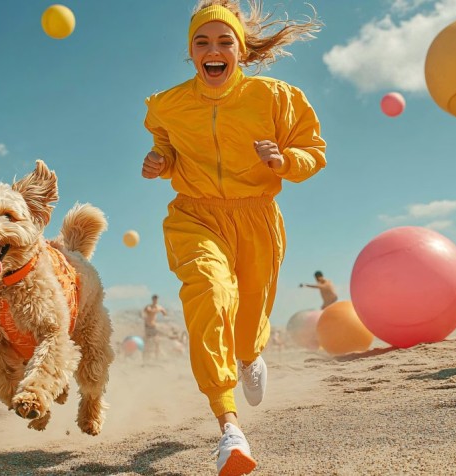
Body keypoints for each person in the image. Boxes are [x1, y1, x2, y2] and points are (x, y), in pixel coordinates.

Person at [141, 2, 325, 473]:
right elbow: (164, 140)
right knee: (210, 290)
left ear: (241, 50)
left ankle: (249, 357)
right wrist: (162, 161)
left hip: (257, 219)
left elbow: (312, 151)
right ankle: (229, 426)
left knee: (247, 325)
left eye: (225, 41)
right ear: (190, 52)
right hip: (195, 216)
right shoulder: (168, 104)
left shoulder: (276, 98)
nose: (213, 50)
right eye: (202, 42)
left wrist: (283, 161)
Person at [142, 294, 168, 362]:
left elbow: (165, 313)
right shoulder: (149, 306)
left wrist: (163, 311)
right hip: (147, 327)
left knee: (157, 342)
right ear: (152, 299)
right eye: (154, 299)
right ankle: (144, 358)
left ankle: (157, 358)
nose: (155, 300)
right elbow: (148, 311)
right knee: (147, 342)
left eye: (156, 299)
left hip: (153, 327)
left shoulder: (159, 307)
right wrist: (158, 310)